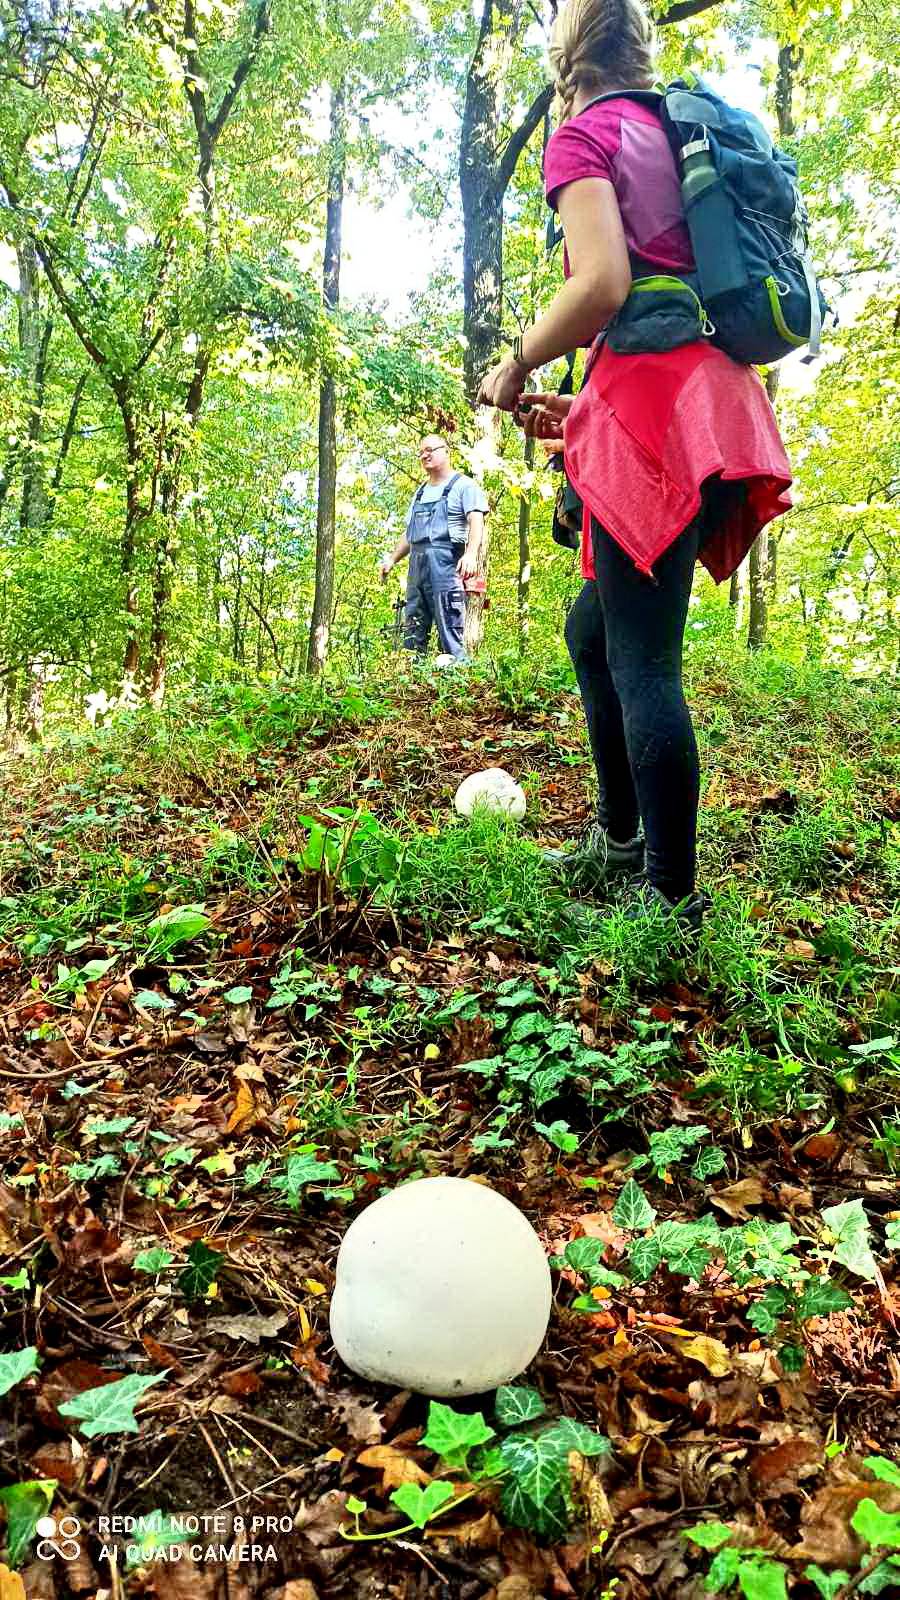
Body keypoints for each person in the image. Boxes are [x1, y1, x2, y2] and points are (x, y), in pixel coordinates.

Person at [476, 0, 792, 926]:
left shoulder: (585, 135)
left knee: (642, 657)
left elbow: (605, 284)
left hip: (655, 407)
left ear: (567, 59)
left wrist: (519, 358)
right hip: (700, 401)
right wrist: (581, 413)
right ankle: (619, 840)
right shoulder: (679, 130)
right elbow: (664, 305)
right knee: (593, 632)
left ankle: (670, 901)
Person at [379, 435, 489, 660]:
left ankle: (457, 686)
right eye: (420, 452)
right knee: (413, 629)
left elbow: (476, 520)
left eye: (429, 449)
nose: (424, 455)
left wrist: (470, 554)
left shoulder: (464, 486)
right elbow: (410, 534)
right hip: (417, 569)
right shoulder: (420, 492)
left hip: (446, 566)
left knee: (450, 631)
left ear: (446, 451)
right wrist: (391, 560)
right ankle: (412, 685)